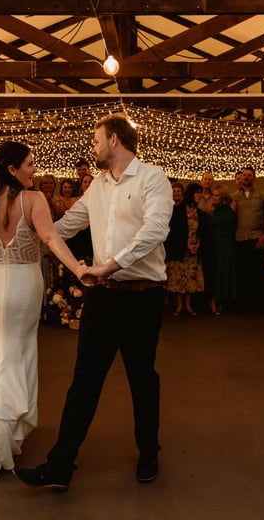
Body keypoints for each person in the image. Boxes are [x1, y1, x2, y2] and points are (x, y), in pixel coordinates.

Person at [15, 113, 173, 490]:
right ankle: (60, 465)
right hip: (103, 296)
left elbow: (155, 230)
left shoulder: (153, 178)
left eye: (96, 140)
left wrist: (110, 265)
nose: (94, 146)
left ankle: (148, 452)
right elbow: (65, 226)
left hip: (143, 297)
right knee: (84, 380)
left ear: (114, 140)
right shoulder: (98, 187)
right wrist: (20, 239)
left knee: (142, 377)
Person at [0, 141, 85, 479]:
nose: (35, 169)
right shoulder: (33, 199)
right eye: (30, 164)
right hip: (22, 284)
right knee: (14, 355)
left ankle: (3, 433)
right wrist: (78, 269)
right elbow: (51, 239)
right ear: (12, 169)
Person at [165, 182, 207, 316]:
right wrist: (186, 245)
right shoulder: (177, 210)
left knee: (190, 278)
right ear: (191, 194)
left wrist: (198, 244)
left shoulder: (199, 212)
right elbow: (174, 232)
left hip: (195, 248)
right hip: (180, 249)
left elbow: (202, 230)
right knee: (179, 277)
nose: (200, 195)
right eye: (198, 193)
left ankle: (188, 305)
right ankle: (179, 305)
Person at [231, 166, 264, 313]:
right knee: (242, 273)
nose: (246, 177)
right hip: (240, 238)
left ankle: (262, 304)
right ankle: (243, 305)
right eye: (244, 175)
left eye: (249, 175)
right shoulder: (235, 197)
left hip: (257, 237)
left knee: (259, 273)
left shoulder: (262, 195)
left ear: (254, 178)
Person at [205, 184, 237, 315]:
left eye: (217, 195)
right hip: (215, 242)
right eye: (213, 195)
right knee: (216, 270)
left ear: (223, 196)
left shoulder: (232, 206)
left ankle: (224, 300)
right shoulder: (210, 209)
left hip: (229, 242)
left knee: (226, 270)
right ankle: (213, 300)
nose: (214, 197)